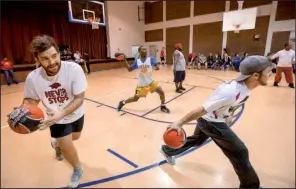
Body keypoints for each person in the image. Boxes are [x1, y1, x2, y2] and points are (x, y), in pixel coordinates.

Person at [160, 56, 273, 188]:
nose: (270, 74)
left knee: (197, 140)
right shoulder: (231, 91)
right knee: (240, 151)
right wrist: (179, 123)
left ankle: (167, 151)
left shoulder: (246, 87)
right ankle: (250, 186)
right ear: (255, 75)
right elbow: (202, 109)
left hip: (209, 119)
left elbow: (229, 104)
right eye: (268, 72)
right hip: (211, 122)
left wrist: (228, 115)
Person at [9, 35, 87, 188]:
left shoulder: (74, 69)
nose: (52, 62)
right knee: (66, 146)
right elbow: (31, 100)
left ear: (58, 53)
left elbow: (79, 98)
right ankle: (77, 168)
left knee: (75, 138)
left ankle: (56, 144)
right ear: (37, 59)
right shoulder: (33, 77)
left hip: (76, 113)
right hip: (54, 118)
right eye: (45, 59)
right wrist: (22, 109)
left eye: (54, 56)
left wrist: (62, 112)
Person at [117, 46, 170, 113]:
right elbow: (129, 69)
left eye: (145, 49)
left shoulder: (151, 59)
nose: (145, 50)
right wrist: (124, 59)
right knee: (135, 99)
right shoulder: (137, 62)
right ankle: (122, 102)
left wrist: (157, 67)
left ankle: (163, 106)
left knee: (161, 92)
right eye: (143, 49)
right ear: (139, 51)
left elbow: (156, 65)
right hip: (142, 85)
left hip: (151, 82)